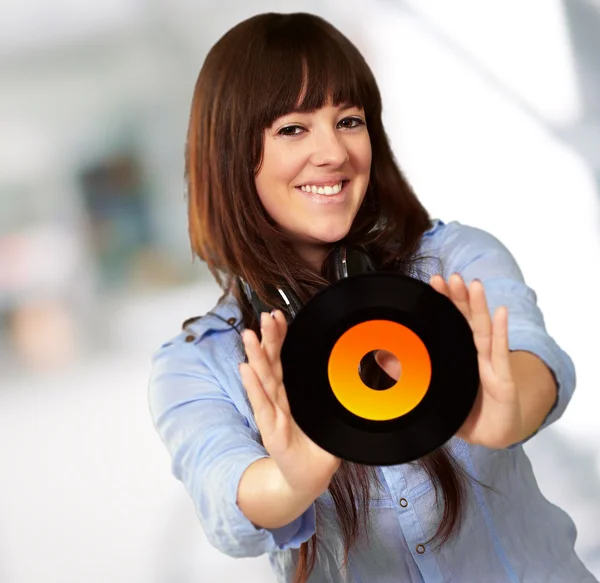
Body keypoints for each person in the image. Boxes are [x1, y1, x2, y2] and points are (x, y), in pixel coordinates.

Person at [148, 12, 597, 583]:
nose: (333, 152)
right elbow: (227, 499)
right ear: (233, 156)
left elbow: (535, 362)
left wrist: (504, 412)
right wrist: (291, 480)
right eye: (293, 128)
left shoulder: (456, 260)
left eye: (349, 120)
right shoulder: (194, 365)